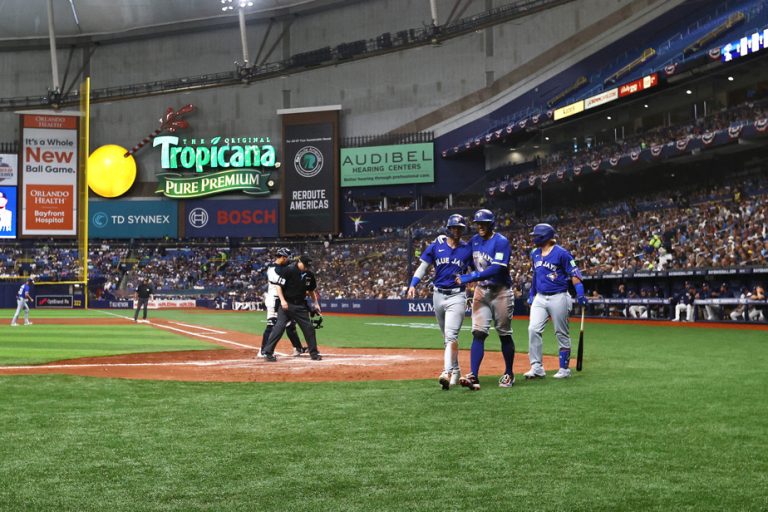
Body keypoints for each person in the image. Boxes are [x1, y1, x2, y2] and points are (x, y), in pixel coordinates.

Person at [407, 214, 473, 390]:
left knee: (451, 336)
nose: (457, 231)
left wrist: (468, 278)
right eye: (455, 227)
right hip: (438, 295)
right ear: (449, 228)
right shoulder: (437, 245)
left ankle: (446, 372)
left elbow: (476, 271)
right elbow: (423, 267)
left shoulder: (467, 249)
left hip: (457, 296)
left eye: (460, 228)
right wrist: (413, 284)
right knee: (446, 337)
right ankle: (456, 370)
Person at [453, 209, 515, 391]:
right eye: (478, 223)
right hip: (482, 291)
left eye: (484, 223)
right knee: (478, 333)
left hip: (501, 291)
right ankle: (473, 375)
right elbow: (466, 259)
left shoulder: (501, 241)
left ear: (491, 224)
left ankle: (509, 373)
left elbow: (497, 268)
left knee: (504, 333)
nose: (480, 226)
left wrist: (471, 277)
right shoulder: (475, 241)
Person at [525, 223, 587, 380]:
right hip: (540, 297)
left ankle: (564, 369)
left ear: (544, 236)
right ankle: (537, 368)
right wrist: (532, 294)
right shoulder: (534, 253)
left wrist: (580, 294)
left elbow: (575, 274)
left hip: (559, 296)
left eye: (535, 235)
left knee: (561, 332)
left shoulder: (562, 253)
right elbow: (535, 275)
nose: (533, 238)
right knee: (533, 329)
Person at [261, 255, 322, 362]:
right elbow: (278, 286)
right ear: (299, 262)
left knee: (309, 329)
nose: (306, 267)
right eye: (305, 265)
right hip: (287, 305)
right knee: (278, 328)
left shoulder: (309, 274)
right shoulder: (288, 270)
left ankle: (314, 353)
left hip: (300, 306)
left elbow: (311, 290)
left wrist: (315, 303)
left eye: (308, 266)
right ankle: (268, 352)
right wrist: (283, 301)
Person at [260, 248, 307, 357]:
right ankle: (263, 350)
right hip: (274, 300)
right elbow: (280, 284)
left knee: (290, 325)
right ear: (282, 257)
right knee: (271, 325)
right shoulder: (272, 269)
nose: (289, 260)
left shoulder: (284, 268)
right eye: (287, 258)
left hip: (284, 300)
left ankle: (298, 348)